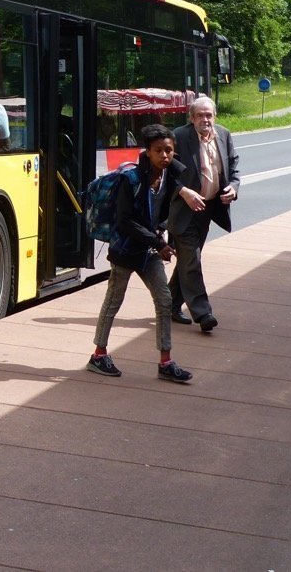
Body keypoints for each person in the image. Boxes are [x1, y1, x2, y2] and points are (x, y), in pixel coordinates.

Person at [87, 123, 193, 384]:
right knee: (114, 301)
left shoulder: (169, 177)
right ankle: (98, 355)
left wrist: (161, 241)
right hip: (125, 250)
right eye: (159, 151)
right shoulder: (131, 179)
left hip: (148, 250)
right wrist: (159, 244)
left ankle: (165, 362)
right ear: (148, 152)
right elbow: (125, 221)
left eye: (169, 150)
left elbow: (159, 216)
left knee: (164, 299)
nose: (165, 156)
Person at [167, 95, 240, 333]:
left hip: (207, 210)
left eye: (209, 115)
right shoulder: (179, 137)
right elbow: (165, 173)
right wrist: (184, 191)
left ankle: (168, 303)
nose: (205, 120)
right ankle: (202, 312)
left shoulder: (224, 135)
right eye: (200, 115)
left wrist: (233, 188)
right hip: (182, 210)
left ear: (214, 116)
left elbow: (233, 168)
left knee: (188, 260)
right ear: (191, 118)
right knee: (192, 259)